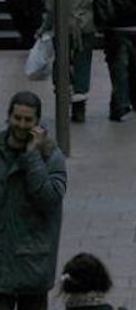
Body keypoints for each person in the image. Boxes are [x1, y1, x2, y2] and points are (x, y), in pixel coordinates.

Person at [0, 92, 67, 310]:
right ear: (8, 117)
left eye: (28, 120)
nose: (21, 124)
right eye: (17, 118)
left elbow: (49, 199)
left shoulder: (51, 156)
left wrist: (32, 158)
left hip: (33, 261)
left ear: (37, 122)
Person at [40, 0, 110, 124]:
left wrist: (44, 27)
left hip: (63, 25)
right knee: (83, 63)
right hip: (85, 25)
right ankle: (80, 103)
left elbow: (50, 1)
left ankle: (62, 92)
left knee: (61, 61)